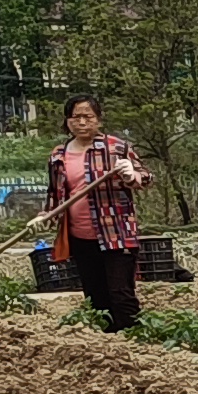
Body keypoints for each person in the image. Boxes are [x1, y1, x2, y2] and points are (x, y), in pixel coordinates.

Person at [47, 95, 149, 331]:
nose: (82, 122)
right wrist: (45, 216)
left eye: (88, 117)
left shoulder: (117, 148)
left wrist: (130, 174)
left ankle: (135, 340)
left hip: (116, 233)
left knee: (121, 293)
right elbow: (55, 194)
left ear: (98, 120)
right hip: (80, 236)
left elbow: (145, 177)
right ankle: (106, 344)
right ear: (67, 121)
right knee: (95, 295)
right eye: (76, 117)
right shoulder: (58, 155)